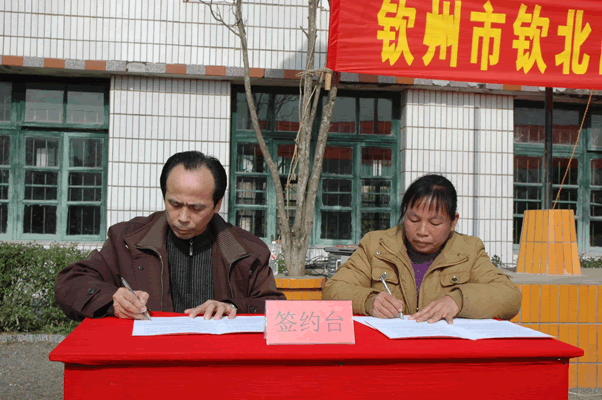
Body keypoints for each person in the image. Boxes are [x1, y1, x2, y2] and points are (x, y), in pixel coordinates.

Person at [55, 151, 285, 321]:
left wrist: (234, 306)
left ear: (217, 204)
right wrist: (111, 299)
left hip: (218, 362)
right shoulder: (126, 240)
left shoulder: (247, 250)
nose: (183, 217)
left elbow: (275, 308)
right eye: (174, 204)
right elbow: (70, 283)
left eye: (196, 208)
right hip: (147, 361)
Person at [322, 174, 521, 323]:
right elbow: (333, 289)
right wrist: (368, 301)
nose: (422, 231)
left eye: (435, 223)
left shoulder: (469, 251)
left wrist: (458, 300)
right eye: (413, 219)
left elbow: (510, 296)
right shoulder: (376, 245)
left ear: (453, 222)